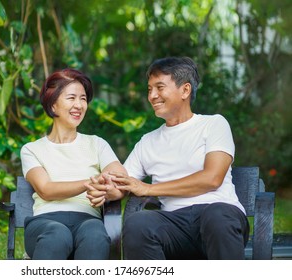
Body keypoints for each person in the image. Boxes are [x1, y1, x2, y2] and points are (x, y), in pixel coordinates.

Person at [86, 57, 249, 260]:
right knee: (138, 224)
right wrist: (109, 190)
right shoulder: (148, 141)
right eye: (149, 89)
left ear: (185, 90)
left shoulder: (214, 124)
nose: (152, 96)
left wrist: (148, 189)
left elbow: (212, 178)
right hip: (174, 224)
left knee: (216, 216)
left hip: (220, 217)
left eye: (160, 87)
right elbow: (124, 183)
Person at [20, 68, 126, 260]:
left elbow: (120, 181)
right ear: (53, 106)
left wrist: (108, 189)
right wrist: (89, 183)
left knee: (95, 235)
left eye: (83, 99)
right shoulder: (31, 149)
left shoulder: (97, 144)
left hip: (87, 220)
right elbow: (46, 189)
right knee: (57, 236)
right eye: (71, 98)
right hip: (45, 222)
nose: (79, 105)